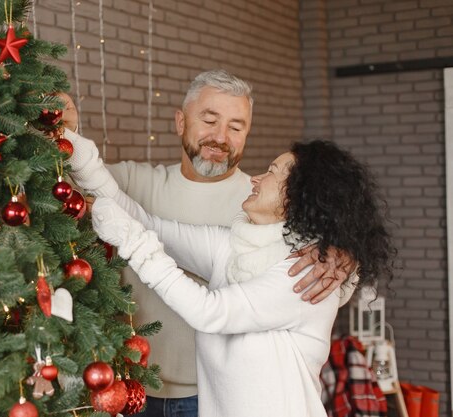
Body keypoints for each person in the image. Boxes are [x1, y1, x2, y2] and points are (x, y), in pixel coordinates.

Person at [58, 70, 353, 417]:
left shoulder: (278, 231)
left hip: (203, 397)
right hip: (139, 387)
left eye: (236, 127)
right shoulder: (233, 232)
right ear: (180, 122)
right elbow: (122, 211)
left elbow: (213, 309)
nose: (220, 137)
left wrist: (347, 258)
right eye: (210, 120)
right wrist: (67, 137)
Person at [88, 140, 395, 417]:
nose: (257, 179)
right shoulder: (233, 246)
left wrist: (134, 243)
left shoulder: (308, 273)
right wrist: (79, 158)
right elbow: (149, 224)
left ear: (302, 194)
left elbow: (210, 312)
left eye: (273, 172)